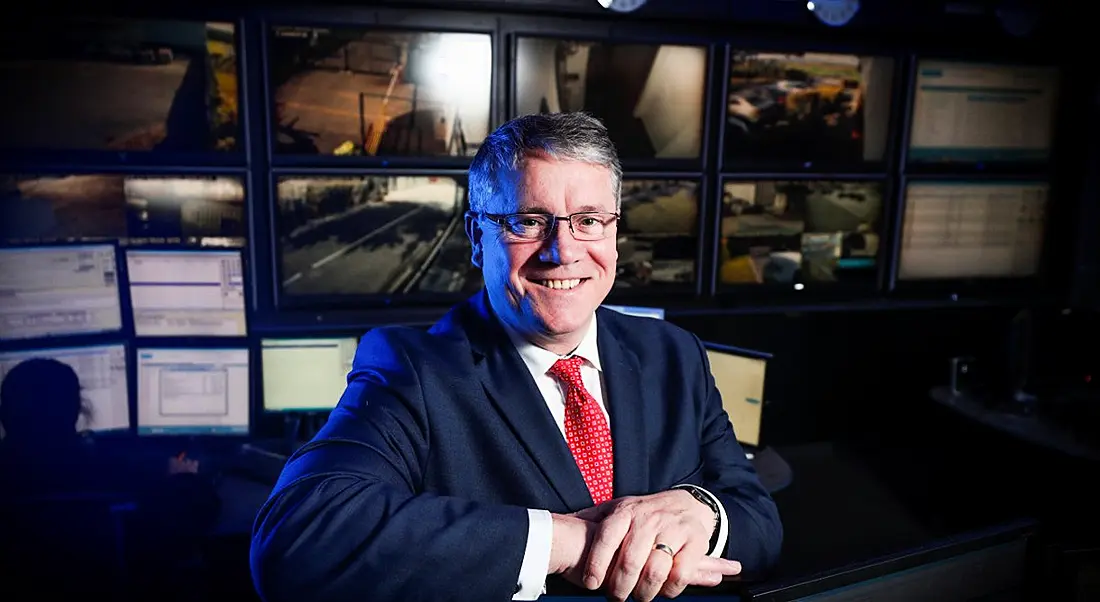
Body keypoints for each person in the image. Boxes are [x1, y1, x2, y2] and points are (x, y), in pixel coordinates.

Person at [250, 112, 783, 602]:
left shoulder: (673, 353)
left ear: (615, 233)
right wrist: (569, 540)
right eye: (529, 221)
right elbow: (296, 539)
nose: (564, 250)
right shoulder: (412, 369)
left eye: (589, 219)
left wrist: (704, 512)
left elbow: (760, 523)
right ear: (477, 239)